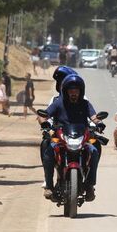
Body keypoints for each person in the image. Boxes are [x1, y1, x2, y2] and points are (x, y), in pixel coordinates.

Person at [39, 73, 104, 201]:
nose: (74, 93)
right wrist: (44, 123)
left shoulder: (85, 104)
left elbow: (94, 117)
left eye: (76, 90)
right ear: (66, 91)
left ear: (81, 91)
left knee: (95, 149)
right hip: (61, 138)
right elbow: (44, 115)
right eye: (71, 90)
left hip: (82, 137)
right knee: (48, 149)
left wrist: (99, 123)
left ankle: (90, 185)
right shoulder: (58, 103)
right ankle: (49, 186)